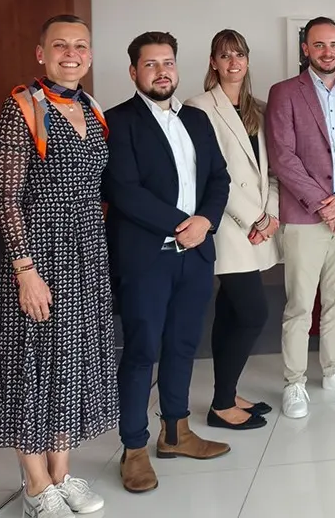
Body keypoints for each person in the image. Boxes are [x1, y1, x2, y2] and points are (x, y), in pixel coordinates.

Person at [0, 15, 114, 517]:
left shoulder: (91, 106)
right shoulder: (21, 107)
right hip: (41, 252)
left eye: (80, 45)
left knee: (72, 362)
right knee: (32, 364)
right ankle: (36, 486)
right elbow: (8, 198)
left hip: (87, 250)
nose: (71, 53)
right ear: (41, 53)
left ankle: (61, 472)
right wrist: (25, 269)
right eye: (59, 45)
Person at [105, 31, 232, 493]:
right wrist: (187, 222)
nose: (162, 71)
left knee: (182, 346)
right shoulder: (117, 121)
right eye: (151, 64)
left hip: (195, 256)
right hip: (148, 259)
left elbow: (220, 176)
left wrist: (206, 222)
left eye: (169, 62)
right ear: (134, 71)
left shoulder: (197, 118)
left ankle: (175, 434)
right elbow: (124, 191)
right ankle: (134, 447)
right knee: (141, 352)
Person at [266, 17, 335, 420]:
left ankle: (334, 370)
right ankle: (294, 382)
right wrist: (322, 202)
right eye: (319, 45)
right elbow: (283, 157)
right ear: (305, 49)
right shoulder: (283, 93)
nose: (328, 52)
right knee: (299, 304)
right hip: (303, 215)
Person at [185, 29, 280, 431]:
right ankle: (221, 405)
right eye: (224, 56)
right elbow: (210, 173)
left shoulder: (257, 107)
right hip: (227, 226)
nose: (232, 63)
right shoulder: (198, 106)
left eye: (239, 54)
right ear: (213, 62)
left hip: (259, 225)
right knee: (253, 313)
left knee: (230, 313)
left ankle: (229, 390)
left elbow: (271, 173)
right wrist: (252, 219)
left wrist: (271, 214)